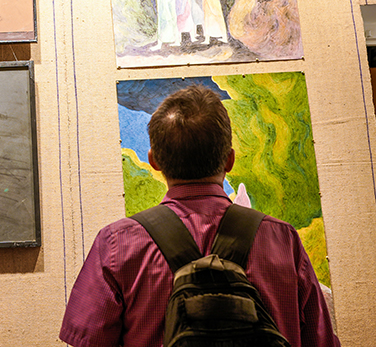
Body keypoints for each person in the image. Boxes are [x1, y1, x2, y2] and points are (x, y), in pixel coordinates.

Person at [59, 85, 340, 347]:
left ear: (154, 160)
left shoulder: (116, 244)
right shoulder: (282, 239)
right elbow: (321, 341)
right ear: (229, 160)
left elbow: (87, 340)